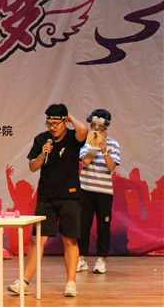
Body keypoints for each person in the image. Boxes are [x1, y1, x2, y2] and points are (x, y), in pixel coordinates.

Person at [7, 104, 88, 298]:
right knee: (37, 240)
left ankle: (70, 283)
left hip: (69, 196)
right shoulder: (41, 139)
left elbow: (84, 130)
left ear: (65, 121)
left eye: (55, 123)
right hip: (46, 197)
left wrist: (68, 114)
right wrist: (43, 154)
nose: (52, 127)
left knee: (69, 240)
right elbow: (32, 166)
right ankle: (25, 282)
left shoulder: (73, 138)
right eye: (48, 123)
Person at [77, 109, 121, 274]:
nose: (95, 128)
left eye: (99, 125)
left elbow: (111, 167)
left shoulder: (114, 144)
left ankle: (101, 259)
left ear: (105, 127)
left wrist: (104, 149)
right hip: (85, 189)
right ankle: (81, 259)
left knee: (103, 226)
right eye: (93, 125)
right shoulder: (86, 142)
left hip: (104, 192)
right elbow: (86, 161)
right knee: (83, 225)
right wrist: (94, 145)